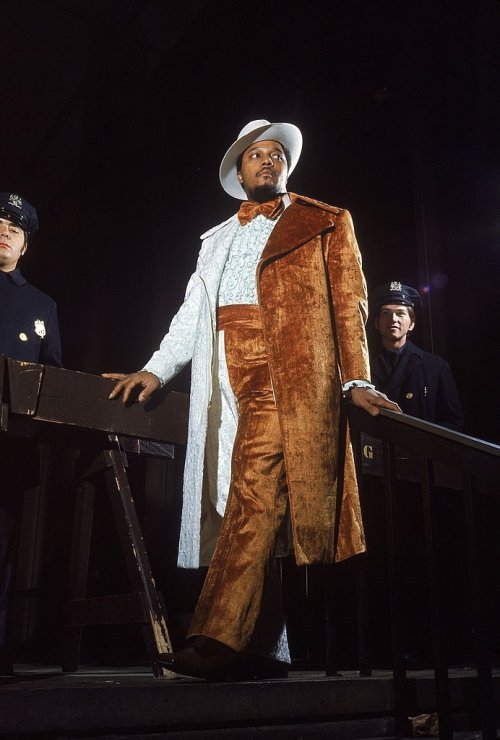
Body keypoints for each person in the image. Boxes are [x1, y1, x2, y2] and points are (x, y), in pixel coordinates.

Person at [105, 119, 399, 681]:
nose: (267, 161)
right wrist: (154, 369)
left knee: (256, 492)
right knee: (232, 504)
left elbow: (349, 307)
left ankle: (217, 637)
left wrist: (355, 381)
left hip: (285, 374)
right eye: (254, 155)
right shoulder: (214, 240)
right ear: (238, 172)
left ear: (286, 167)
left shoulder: (325, 221)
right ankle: (266, 648)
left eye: (275, 155)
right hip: (223, 381)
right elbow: (191, 315)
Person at [0, 192, 62, 677]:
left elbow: (55, 380)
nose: (5, 232)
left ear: (25, 247)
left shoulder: (41, 304)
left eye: (14, 230)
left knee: (3, 549)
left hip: (9, 446)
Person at [370, 281, 464, 430]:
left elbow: (453, 422)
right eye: (386, 313)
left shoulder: (435, 367)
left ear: (411, 324)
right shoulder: (364, 365)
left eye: (400, 313)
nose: (393, 319)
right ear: (377, 323)